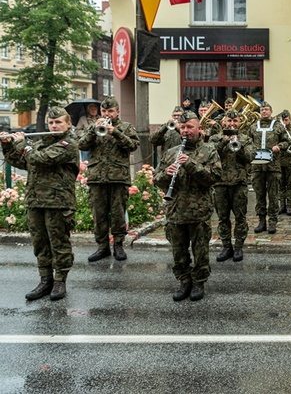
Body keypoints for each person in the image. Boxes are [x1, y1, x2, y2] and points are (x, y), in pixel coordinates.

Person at [1, 107, 79, 301]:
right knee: (40, 243)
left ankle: (60, 281)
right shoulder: (40, 143)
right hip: (36, 200)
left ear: (68, 124)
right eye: (51, 123)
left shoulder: (69, 143)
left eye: (58, 122)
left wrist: (23, 144)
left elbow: (40, 159)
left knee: (59, 243)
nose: (54, 126)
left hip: (59, 203)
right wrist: (8, 145)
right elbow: (23, 162)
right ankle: (45, 280)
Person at [154, 112, 222, 301]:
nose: (185, 131)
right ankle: (184, 281)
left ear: (199, 128)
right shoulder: (171, 152)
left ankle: (199, 282)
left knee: (200, 250)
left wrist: (191, 164)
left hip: (199, 211)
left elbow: (214, 178)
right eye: (182, 127)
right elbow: (156, 180)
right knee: (179, 251)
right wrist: (166, 174)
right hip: (175, 210)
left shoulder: (209, 150)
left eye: (190, 127)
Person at [78, 96, 140, 262]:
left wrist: (116, 132)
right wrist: (93, 130)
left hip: (118, 178)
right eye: (104, 111)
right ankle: (102, 247)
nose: (107, 114)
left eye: (110, 111)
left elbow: (133, 145)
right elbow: (81, 145)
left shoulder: (125, 127)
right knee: (99, 214)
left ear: (117, 112)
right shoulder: (94, 127)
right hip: (97, 177)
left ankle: (118, 245)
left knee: (118, 213)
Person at [210, 111, 255, 263]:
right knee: (223, 218)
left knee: (240, 218)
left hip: (239, 184)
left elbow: (250, 157)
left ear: (240, 122)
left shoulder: (246, 139)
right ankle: (226, 246)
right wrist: (224, 141)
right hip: (220, 183)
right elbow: (210, 154)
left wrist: (238, 145)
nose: (232, 124)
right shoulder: (215, 138)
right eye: (229, 120)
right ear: (223, 122)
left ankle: (238, 247)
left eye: (235, 121)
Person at [248, 102, 291, 234]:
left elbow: (287, 141)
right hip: (257, 166)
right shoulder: (254, 126)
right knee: (259, 195)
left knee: (273, 195)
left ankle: (273, 221)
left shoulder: (278, 126)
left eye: (266, 109)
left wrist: (280, 146)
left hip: (273, 166)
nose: (264, 111)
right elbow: (247, 142)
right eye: (262, 109)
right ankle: (261, 221)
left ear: (271, 112)